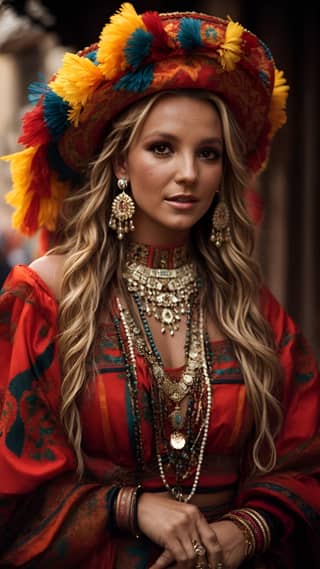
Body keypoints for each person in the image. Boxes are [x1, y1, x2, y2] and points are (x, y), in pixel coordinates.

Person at [0, 3, 319, 568]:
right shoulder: (43, 299)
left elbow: (305, 464)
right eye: (162, 148)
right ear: (121, 161)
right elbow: (8, 488)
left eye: (209, 154)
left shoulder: (253, 312)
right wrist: (128, 507)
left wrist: (247, 530)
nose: (189, 175)